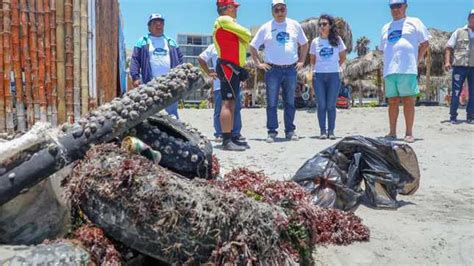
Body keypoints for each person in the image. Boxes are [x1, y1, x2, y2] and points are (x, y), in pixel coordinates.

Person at [249, 0, 309, 143]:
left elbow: (305, 44)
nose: (280, 12)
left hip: (291, 70)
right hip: (272, 70)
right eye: (277, 9)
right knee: (271, 103)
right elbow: (252, 46)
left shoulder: (295, 25)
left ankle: (290, 131)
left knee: (290, 102)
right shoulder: (266, 27)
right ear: (272, 11)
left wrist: (301, 61)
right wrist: (258, 63)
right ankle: (272, 131)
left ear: (286, 9)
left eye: (282, 9)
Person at [379, 0, 430, 143]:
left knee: (408, 100)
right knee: (392, 101)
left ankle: (409, 132)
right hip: (390, 70)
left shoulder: (414, 22)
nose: (395, 9)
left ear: (405, 6)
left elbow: (425, 43)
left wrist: (416, 60)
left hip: (407, 68)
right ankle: (392, 132)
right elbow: (383, 48)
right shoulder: (385, 27)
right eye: (392, 6)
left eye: (398, 6)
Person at [213, 0, 252, 151]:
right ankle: (226, 140)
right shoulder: (224, 20)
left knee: (232, 103)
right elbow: (247, 34)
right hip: (227, 67)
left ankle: (232, 137)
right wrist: (242, 36)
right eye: (234, 7)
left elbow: (243, 42)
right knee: (227, 103)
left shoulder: (227, 24)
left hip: (232, 67)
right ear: (227, 8)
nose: (236, 9)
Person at [130, 13, 183, 119]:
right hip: (149, 83)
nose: (158, 25)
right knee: (149, 112)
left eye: (161, 23)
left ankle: (174, 133)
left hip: (170, 83)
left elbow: (180, 60)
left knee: (172, 114)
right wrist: (135, 77)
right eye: (155, 23)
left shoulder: (171, 42)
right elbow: (135, 60)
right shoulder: (142, 41)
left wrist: (180, 78)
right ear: (149, 27)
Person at [309, 14, 347, 140]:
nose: (322, 26)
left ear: (330, 26)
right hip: (318, 76)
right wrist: (312, 75)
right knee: (322, 105)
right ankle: (322, 131)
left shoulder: (337, 40)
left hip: (334, 75)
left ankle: (331, 131)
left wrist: (336, 68)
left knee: (331, 105)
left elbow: (342, 58)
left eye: (324, 24)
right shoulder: (315, 42)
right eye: (320, 24)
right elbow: (312, 61)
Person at [198, 44, 245, 142]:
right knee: (219, 109)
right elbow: (201, 59)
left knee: (236, 109)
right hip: (220, 84)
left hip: (235, 83)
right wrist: (209, 72)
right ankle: (219, 134)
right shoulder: (213, 46)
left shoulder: (235, 43)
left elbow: (241, 63)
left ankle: (235, 133)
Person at [444, 9, 474, 124]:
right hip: (459, 67)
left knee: (473, 93)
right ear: (468, 18)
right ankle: (453, 116)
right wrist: (447, 62)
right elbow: (448, 47)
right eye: (472, 16)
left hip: (473, 67)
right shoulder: (459, 31)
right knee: (456, 92)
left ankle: (471, 116)